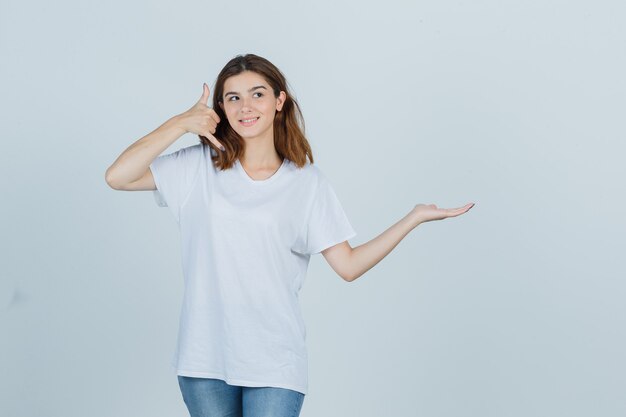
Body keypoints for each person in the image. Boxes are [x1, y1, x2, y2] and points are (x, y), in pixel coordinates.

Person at [105, 53, 475, 417]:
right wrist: (179, 124)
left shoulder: (306, 183)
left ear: (279, 101)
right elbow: (118, 177)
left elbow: (348, 265)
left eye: (258, 94)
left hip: (274, 361)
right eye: (233, 97)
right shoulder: (197, 167)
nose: (245, 107)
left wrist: (413, 218)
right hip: (204, 360)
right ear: (220, 107)